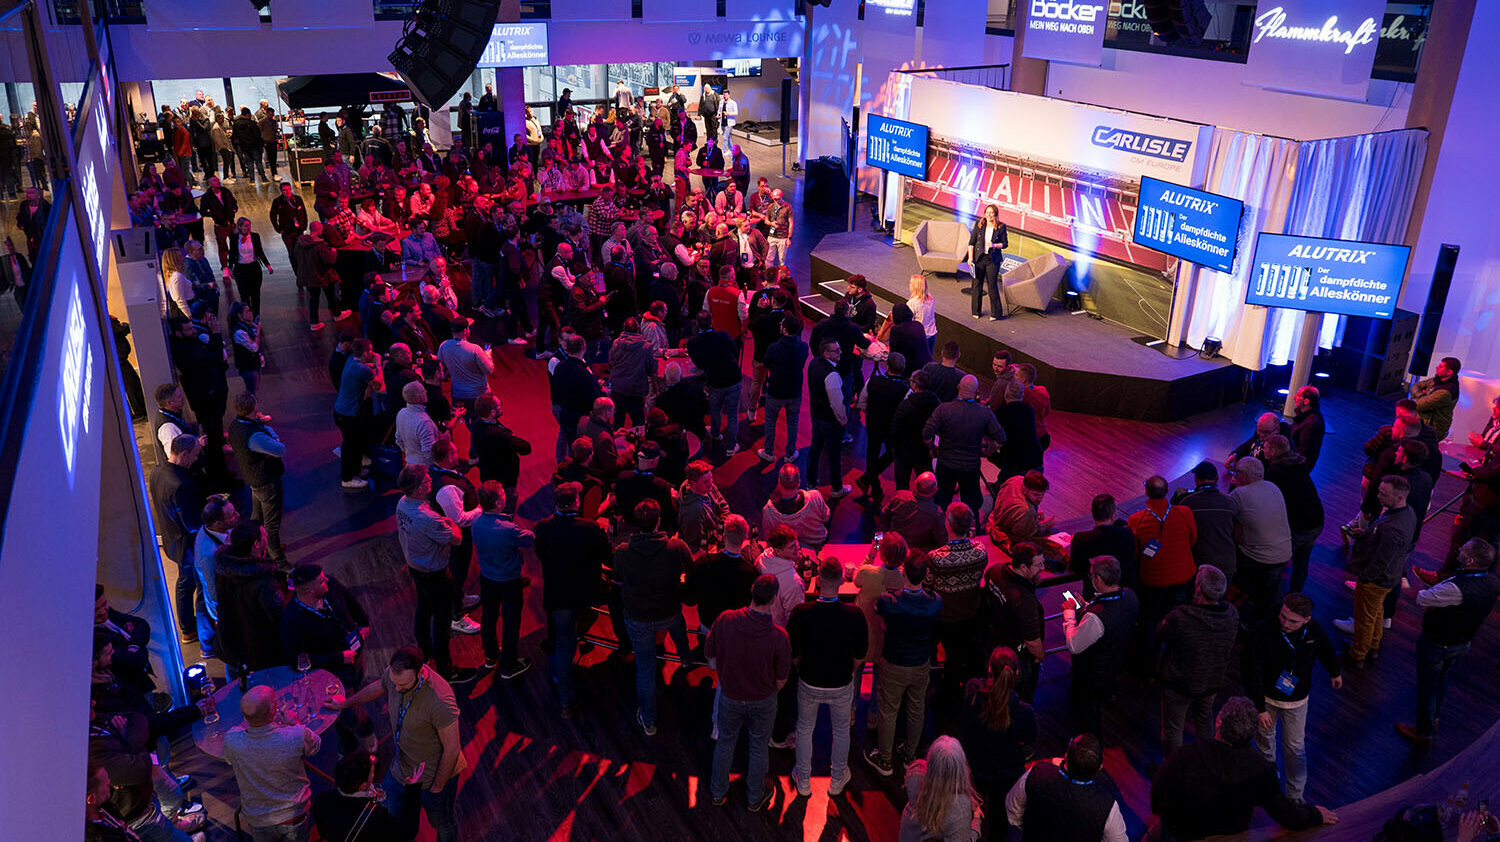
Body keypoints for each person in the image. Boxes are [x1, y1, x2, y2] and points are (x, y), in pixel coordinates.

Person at [1150, 696, 1337, 839]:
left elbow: (1157, 802)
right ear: (1252, 733)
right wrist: (1314, 815)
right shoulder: (1262, 769)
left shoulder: (1185, 756)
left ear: (1219, 722)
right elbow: (1286, 814)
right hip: (1232, 837)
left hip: (1184, 834)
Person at [331, 647, 463, 842]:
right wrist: (345, 704)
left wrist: (437, 787)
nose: (397, 689)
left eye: (403, 685)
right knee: (388, 810)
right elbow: (379, 686)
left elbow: (452, 750)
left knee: (442, 824)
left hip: (432, 776)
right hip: (401, 766)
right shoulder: (396, 675)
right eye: (394, 683)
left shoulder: (440, 700)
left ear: (420, 673)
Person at [1396, 538, 1500, 747]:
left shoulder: (1456, 589)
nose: (1459, 549)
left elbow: (1422, 598)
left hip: (1438, 642)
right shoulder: (1492, 581)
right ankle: (1434, 718)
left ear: (1470, 561)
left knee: (1427, 687)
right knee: (1441, 680)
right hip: (1463, 641)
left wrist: (1438, 602)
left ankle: (1423, 732)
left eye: (1464, 549)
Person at [1242, 592, 1342, 803]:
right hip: (1267, 700)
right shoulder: (1263, 630)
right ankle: (1267, 784)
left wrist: (1334, 672)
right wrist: (1259, 707)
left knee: (1295, 749)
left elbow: (1326, 649)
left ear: (1306, 619)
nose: (1285, 623)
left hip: (1297, 701)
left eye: (1292, 621)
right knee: (1265, 744)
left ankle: (1295, 796)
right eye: (1283, 616)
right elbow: (1252, 670)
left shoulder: (1314, 629)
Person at [707, 574, 792, 811]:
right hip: (763, 700)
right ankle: (755, 798)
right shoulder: (779, 636)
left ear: (752, 590)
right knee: (758, 746)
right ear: (773, 599)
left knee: (725, 742)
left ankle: (717, 792)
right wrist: (766, 691)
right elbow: (782, 679)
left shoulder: (726, 619)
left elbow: (711, 659)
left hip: (730, 695)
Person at [787, 559, 868, 797]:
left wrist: (801, 667)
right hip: (841, 682)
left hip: (809, 680)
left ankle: (803, 780)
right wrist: (849, 671)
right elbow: (861, 653)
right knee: (841, 730)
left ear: (818, 580)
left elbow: (791, 650)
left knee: (804, 728)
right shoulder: (854, 614)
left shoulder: (801, 612)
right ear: (842, 580)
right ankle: (837, 778)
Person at [615, 499, 696, 735]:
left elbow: (618, 581)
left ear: (635, 524)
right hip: (669, 610)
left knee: (645, 668)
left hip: (637, 616)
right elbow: (691, 570)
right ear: (659, 521)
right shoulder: (677, 546)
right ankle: (686, 659)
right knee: (679, 629)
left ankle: (649, 721)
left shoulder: (622, 552)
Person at [534, 482, 611, 716]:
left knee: (564, 644)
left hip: (559, 594)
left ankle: (566, 699)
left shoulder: (543, 528)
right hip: (588, 591)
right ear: (577, 502)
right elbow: (606, 556)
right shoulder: (590, 527)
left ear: (556, 503)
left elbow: (541, 555)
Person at [394, 466, 476, 684]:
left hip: (416, 568)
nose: (431, 480)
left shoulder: (402, 503)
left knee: (423, 609)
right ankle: (446, 670)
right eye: (427, 480)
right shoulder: (428, 518)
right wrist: (450, 523)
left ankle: (425, 651)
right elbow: (457, 538)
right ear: (419, 488)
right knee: (442, 621)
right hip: (435, 573)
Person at [866, 553, 942, 776]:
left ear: (903, 572)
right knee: (916, 709)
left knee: (888, 711)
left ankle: (885, 760)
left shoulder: (888, 600)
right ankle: (910, 756)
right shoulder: (935, 601)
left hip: (894, 662)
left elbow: (879, 615)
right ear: (925, 575)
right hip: (921, 663)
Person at [222, 685, 322, 842]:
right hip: (294, 814)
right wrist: (294, 722)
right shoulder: (296, 735)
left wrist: (251, 720)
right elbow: (315, 746)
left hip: (259, 819)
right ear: (273, 709)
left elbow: (229, 759)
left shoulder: (232, 740)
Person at [1157, 565, 1238, 756]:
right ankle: (1207, 760)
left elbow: (1161, 634)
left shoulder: (1181, 616)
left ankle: (1173, 767)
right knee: (1204, 720)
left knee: (1173, 729)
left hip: (1179, 684)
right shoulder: (1232, 614)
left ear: (1198, 589)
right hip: (1211, 681)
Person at [1339, 475, 1415, 667]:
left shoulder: (1394, 529)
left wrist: (1366, 578)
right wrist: (1366, 534)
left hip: (1376, 580)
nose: (1378, 496)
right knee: (1376, 612)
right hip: (1389, 577)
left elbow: (1382, 559)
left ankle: (1358, 654)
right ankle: (1373, 645)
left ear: (1399, 497)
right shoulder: (1407, 513)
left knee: (1364, 618)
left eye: (1384, 494)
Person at [1063, 556, 1139, 738]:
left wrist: (1069, 613)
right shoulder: (1130, 595)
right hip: (1114, 663)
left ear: (1097, 579)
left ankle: (1086, 746)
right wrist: (1087, 607)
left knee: (1085, 716)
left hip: (1091, 673)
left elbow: (1074, 644)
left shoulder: (1095, 617)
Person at [1005, 734, 1127, 842]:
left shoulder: (1037, 773)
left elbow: (1012, 812)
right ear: (1100, 767)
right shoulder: (1107, 808)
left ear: (1065, 756)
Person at [1128, 475, 1197, 663]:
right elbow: (1193, 540)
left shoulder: (1136, 520)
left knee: (1149, 619)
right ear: (1167, 491)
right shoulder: (1184, 512)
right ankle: (1174, 659)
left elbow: (1136, 553)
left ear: (1146, 492)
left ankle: (1149, 662)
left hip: (1153, 580)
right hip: (1183, 576)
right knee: (1178, 616)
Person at [927, 503, 990, 713]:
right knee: (959, 656)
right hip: (971, 615)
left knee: (949, 657)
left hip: (943, 618)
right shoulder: (980, 551)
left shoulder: (936, 557)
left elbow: (927, 585)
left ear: (948, 524)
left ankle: (944, 698)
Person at [148, 433, 205, 643]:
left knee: (185, 582)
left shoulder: (157, 472)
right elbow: (191, 524)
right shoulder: (180, 485)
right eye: (195, 454)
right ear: (184, 454)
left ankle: (188, 627)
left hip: (172, 540)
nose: (196, 459)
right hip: (187, 546)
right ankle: (194, 630)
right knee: (196, 584)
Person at [924, 375, 1005, 515]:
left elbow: (926, 433)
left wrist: (933, 448)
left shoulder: (943, 409)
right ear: (977, 392)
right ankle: (969, 524)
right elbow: (1001, 439)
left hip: (946, 463)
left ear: (958, 387)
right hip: (970, 466)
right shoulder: (985, 413)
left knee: (942, 499)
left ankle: (941, 523)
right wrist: (986, 452)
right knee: (970, 504)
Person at [214, 522, 287, 671]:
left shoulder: (225, 569)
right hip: (261, 649)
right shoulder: (264, 579)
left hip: (232, 644)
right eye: (264, 535)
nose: (267, 536)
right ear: (256, 544)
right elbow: (278, 616)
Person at [1229, 457, 1291, 627]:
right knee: (1267, 592)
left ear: (1242, 475)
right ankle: (1263, 617)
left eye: (1237, 473)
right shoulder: (1272, 487)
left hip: (1257, 558)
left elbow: (1226, 517)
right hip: (1284, 553)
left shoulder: (1239, 494)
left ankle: (1241, 611)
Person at [981, 543, 1047, 703]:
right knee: (1020, 698)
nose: (1043, 568)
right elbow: (1032, 642)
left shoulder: (995, 571)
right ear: (1023, 567)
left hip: (994, 642)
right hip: (1017, 657)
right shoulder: (1024, 602)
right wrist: (1040, 656)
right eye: (1039, 564)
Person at [229, 392, 287, 562]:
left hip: (253, 479)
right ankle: (277, 558)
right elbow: (280, 449)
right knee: (271, 523)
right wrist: (273, 434)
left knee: (257, 518)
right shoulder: (254, 435)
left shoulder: (235, 425)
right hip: (266, 481)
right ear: (253, 408)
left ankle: (255, 549)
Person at [1263, 435, 1324, 595]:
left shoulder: (1276, 472)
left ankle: (1269, 598)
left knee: (1276, 562)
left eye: (1265, 448)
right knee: (1301, 560)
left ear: (1273, 451)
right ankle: (1295, 593)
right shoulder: (1297, 463)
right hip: (1316, 520)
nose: (1263, 450)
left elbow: (1268, 499)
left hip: (1300, 526)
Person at [900, 736, 983, 842]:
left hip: (908, 835)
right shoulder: (959, 807)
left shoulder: (916, 773)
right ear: (961, 767)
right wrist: (976, 821)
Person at [311, 752, 401, 842]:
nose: (373, 775)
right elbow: (401, 833)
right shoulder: (376, 816)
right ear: (363, 786)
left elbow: (323, 832)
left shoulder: (320, 800)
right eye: (372, 773)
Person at [1171, 461, 1238, 580]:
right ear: (1216, 479)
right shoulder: (1230, 502)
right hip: (1228, 564)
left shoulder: (1186, 501)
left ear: (1197, 480)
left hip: (1201, 564)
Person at [687, 312, 743, 454]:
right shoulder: (723, 335)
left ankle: (715, 433)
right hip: (734, 377)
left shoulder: (694, 343)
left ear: (697, 324)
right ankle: (731, 447)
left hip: (715, 381)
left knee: (715, 409)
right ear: (711, 322)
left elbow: (699, 364)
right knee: (732, 414)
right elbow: (735, 350)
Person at [857, 353, 910, 502]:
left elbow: (862, 401)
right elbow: (905, 412)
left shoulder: (873, 380)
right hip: (891, 428)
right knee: (892, 453)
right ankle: (869, 482)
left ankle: (873, 486)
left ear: (888, 365)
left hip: (873, 423)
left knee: (872, 454)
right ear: (903, 368)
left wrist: (869, 413)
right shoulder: (905, 390)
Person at [760, 314, 809, 464]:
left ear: (785, 329)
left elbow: (766, 364)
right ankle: (790, 453)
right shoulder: (803, 346)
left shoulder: (774, 348)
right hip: (794, 390)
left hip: (776, 390)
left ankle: (768, 451)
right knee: (792, 422)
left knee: (770, 420)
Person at [806, 338, 851, 496]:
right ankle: (837, 488)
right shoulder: (832, 375)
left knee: (815, 450)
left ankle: (811, 483)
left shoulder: (814, 363)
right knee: (834, 455)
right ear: (826, 353)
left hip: (816, 414)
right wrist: (843, 420)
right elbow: (836, 403)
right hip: (830, 420)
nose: (840, 352)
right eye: (836, 351)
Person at [1069, 494, 1137, 586]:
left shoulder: (1080, 539)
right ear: (1113, 515)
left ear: (1092, 512)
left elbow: (1075, 567)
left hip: (1093, 589)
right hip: (1123, 587)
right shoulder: (1126, 534)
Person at [889, 371, 941, 490]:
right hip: (925, 450)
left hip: (905, 450)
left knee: (902, 486)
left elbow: (895, 427)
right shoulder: (937, 404)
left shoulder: (906, 404)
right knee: (926, 485)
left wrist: (893, 445)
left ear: (915, 385)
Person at [761, 463, 832, 550]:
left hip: (788, 550)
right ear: (799, 482)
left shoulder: (768, 511)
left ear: (779, 482)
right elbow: (826, 517)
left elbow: (769, 538)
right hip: (817, 544)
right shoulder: (815, 497)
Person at [968, 203, 1010, 320]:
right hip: (979, 258)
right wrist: (970, 258)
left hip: (993, 260)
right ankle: (976, 311)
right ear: (985, 214)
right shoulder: (979, 224)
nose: (989, 215)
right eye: (987, 212)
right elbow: (971, 242)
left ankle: (996, 313)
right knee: (977, 285)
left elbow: (1005, 244)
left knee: (992, 286)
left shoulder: (1001, 227)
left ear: (995, 214)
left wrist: (994, 245)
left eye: (991, 213)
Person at [227, 217, 273, 316]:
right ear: (240, 227)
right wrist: (230, 268)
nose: (248, 228)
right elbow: (232, 253)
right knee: (244, 295)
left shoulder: (255, 236)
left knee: (255, 294)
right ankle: (247, 316)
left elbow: (260, 251)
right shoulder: (234, 238)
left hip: (254, 268)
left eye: (249, 225)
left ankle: (256, 317)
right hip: (240, 269)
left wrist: (268, 265)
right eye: (246, 226)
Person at [1412, 356, 1461, 440]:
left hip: (1432, 430)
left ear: (1449, 372)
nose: (1436, 367)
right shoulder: (1437, 379)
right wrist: (1422, 396)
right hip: (1423, 423)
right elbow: (1415, 386)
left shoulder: (1445, 392)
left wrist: (1419, 397)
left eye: (1441, 367)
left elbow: (1419, 405)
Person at [1289, 386, 1325, 469]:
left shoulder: (1311, 424)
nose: (1294, 397)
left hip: (1296, 466)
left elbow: (1303, 453)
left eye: (1298, 395)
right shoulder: (1304, 416)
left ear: (1306, 401)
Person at [907, 274, 938, 352]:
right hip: (932, 334)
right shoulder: (930, 298)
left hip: (920, 336)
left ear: (915, 287)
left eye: (911, 283)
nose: (909, 285)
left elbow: (908, 321)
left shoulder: (912, 303)